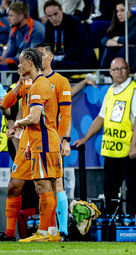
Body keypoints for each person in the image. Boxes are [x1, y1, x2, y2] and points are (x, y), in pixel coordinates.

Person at [0, 43, 72, 242]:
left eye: (22, 62)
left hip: (45, 139)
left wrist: (62, 139)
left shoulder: (55, 82)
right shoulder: (29, 82)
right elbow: (5, 104)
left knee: (51, 184)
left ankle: (57, 231)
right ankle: (45, 232)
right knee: (21, 185)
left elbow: (61, 114)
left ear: (48, 57)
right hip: (30, 142)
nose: (19, 66)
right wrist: (18, 84)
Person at [73, 58, 136, 216]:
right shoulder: (110, 91)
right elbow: (101, 118)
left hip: (131, 149)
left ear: (128, 69)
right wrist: (85, 139)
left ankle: (134, 224)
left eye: (123, 68)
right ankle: (113, 222)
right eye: (116, 69)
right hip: (112, 150)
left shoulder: (134, 91)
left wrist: (134, 145)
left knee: (133, 188)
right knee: (110, 188)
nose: (119, 72)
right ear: (110, 72)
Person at [12, 48, 61, 242]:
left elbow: (34, 118)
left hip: (45, 143)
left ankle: (43, 233)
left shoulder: (38, 86)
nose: (18, 66)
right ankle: (52, 231)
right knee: (46, 186)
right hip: (41, 142)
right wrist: (31, 145)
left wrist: (18, 123)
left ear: (30, 64)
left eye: (21, 62)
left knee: (43, 187)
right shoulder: (40, 84)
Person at [44, 0, 97, 69]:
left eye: (56, 14)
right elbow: (47, 47)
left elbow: (74, 50)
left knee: (55, 65)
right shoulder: (49, 25)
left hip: (80, 60)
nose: (54, 18)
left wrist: (58, 61)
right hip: (59, 60)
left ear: (61, 10)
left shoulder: (73, 22)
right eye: (50, 16)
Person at [98, 0, 136, 69]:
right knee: (109, 49)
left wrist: (118, 39)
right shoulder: (116, 24)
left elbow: (131, 38)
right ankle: (106, 73)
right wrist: (119, 43)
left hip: (134, 55)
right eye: (117, 11)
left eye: (122, 10)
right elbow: (104, 40)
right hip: (119, 51)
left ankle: (118, 69)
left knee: (125, 48)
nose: (119, 14)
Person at [0, 1, 44, 70]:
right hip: (21, 66)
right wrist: (3, 60)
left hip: (36, 69)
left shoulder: (36, 29)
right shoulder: (14, 29)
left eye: (11, 15)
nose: (8, 18)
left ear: (20, 17)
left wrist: (8, 61)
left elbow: (32, 57)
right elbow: (10, 53)